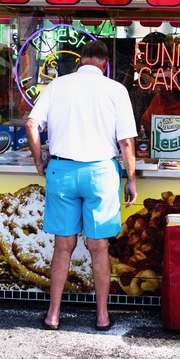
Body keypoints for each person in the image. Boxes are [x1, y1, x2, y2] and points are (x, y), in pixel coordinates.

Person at [25, 40, 138, 331]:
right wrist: (132, 180)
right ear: (105, 63)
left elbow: (31, 124)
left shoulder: (57, 86)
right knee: (99, 247)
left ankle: (53, 316)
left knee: (63, 246)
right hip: (101, 172)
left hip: (62, 171)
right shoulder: (116, 89)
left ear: (80, 61)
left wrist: (38, 160)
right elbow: (126, 142)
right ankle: (102, 317)